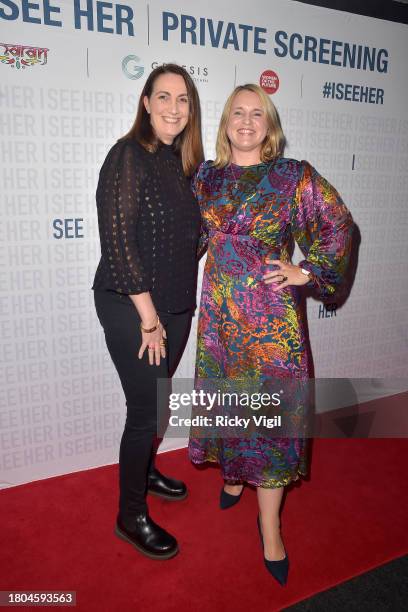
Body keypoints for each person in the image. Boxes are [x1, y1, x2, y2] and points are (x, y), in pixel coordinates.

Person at [188, 84, 353, 584]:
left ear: (270, 123)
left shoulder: (292, 177)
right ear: (225, 122)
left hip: (270, 320)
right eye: (237, 112)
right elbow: (187, 237)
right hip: (220, 318)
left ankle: (270, 525)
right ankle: (236, 476)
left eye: (256, 113)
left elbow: (338, 225)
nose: (245, 121)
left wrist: (309, 272)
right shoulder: (206, 178)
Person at [93, 64, 204, 560]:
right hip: (131, 304)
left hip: (176, 305)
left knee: (159, 402)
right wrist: (149, 317)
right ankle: (129, 515)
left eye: (183, 100)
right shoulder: (127, 156)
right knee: (144, 413)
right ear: (146, 102)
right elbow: (118, 244)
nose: (173, 108)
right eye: (164, 97)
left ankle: (147, 470)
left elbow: (189, 240)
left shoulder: (183, 165)